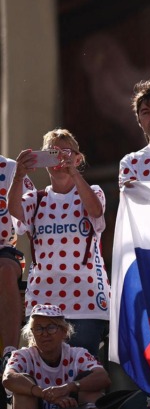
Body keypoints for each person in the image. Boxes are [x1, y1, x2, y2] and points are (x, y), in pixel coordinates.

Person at [9, 130, 111, 363]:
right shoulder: (36, 198)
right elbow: (15, 213)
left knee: (84, 371)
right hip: (44, 299)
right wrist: (18, 176)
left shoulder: (91, 191)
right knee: (44, 372)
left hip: (85, 301)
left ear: (78, 158)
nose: (59, 160)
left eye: (65, 153)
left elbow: (95, 210)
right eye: (52, 153)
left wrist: (73, 174)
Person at [3, 304, 110, 409]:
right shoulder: (22, 355)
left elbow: (104, 377)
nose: (44, 334)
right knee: (22, 386)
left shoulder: (78, 353)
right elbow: (8, 378)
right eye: (38, 328)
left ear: (64, 332)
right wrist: (44, 394)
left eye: (51, 327)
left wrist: (69, 387)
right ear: (32, 333)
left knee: (89, 381)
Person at [0, 155, 33, 356]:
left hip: (2, 249)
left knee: (5, 270)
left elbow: (32, 209)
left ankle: (9, 354)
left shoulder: (9, 168)